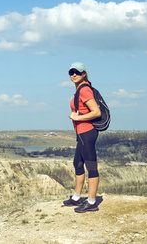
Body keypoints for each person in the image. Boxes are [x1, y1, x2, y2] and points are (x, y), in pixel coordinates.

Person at [63, 62, 101, 213]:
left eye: (77, 72)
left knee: (91, 166)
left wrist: (77, 118)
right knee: (78, 164)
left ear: (84, 73)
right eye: (71, 72)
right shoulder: (80, 89)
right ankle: (76, 197)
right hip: (81, 132)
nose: (74, 75)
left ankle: (92, 202)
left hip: (87, 132)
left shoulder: (84, 90)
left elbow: (96, 112)